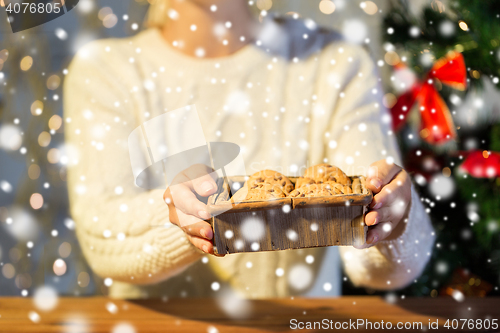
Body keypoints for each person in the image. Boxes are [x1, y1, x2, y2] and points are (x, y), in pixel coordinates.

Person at [64, 0, 435, 299]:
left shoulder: (335, 63)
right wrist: (181, 220)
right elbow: (102, 240)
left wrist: (392, 219)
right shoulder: (107, 71)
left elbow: (388, 263)